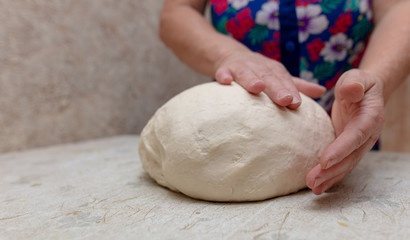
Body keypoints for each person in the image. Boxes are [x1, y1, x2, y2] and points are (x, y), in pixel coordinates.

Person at [159, 0, 410, 195]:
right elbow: (177, 13)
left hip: (349, 132)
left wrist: (375, 77)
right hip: (222, 142)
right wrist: (226, 54)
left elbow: (400, 8)